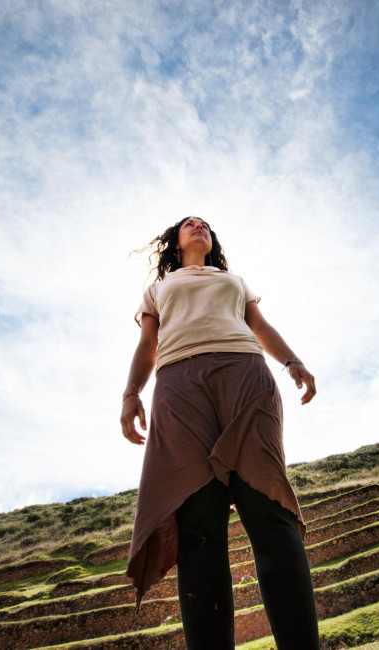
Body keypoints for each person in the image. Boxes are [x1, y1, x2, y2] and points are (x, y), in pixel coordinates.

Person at [120, 216, 320, 649]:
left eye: (205, 224)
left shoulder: (234, 280)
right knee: (198, 527)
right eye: (189, 224)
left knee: (269, 509)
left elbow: (260, 328)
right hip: (178, 387)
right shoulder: (157, 289)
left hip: (245, 376)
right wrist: (131, 393)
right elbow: (147, 346)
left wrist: (293, 362)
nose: (198, 226)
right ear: (175, 243)